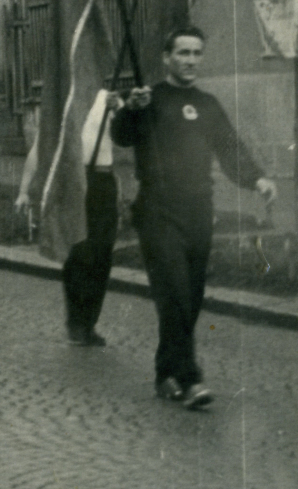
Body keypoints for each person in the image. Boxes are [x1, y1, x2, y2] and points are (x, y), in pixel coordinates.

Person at [111, 27, 275, 409]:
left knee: (191, 296)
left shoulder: (208, 104)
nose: (190, 60)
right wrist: (131, 110)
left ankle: (165, 372)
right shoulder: (148, 98)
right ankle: (190, 379)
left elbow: (230, 148)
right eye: (182, 52)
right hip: (157, 211)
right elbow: (122, 136)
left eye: (196, 53)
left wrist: (258, 178)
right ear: (166, 57)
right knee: (176, 292)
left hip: (199, 211)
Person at [15, 85, 121, 347]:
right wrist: (23, 190)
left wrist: (120, 110)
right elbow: (40, 147)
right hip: (75, 180)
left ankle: (90, 322)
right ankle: (76, 323)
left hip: (104, 180)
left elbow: (126, 136)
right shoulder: (68, 96)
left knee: (103, 254)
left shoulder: (110, 98)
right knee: (79, 252)